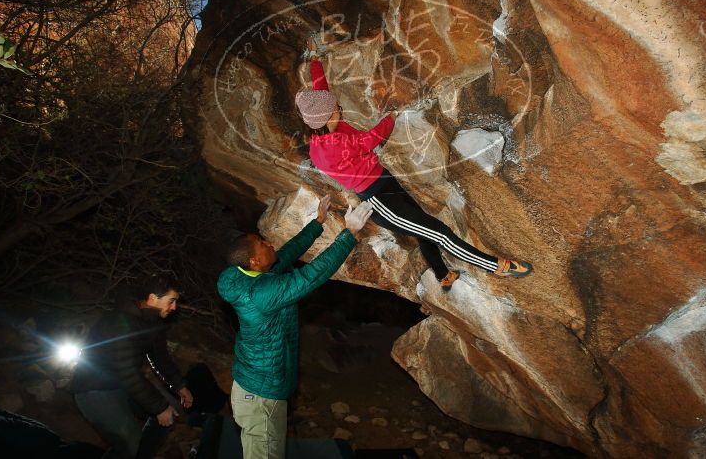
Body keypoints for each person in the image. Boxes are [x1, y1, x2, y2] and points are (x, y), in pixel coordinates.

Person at [295, 37, 533, 291]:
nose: (339, 108)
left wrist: (314, 59)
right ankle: (496, 266)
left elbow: (321, 88)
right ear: (327, 115)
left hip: (384, 182)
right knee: (439, 232)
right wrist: (393, 115)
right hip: (379, 201)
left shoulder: (323, 124)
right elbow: (371, 139)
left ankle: (442, 275)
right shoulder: (332, 144)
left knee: (424, 226)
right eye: (336, 108)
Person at [217, 197, 373, 459]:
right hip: (260, 398)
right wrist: (349, 233)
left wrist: (318, 222)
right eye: (262, 244)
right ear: (254, 262)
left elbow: (286, 253)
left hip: (257, 385)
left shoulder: (242, 273)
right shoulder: (261, 294)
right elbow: (311, 276)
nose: (268, 243)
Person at [69, 277, 193, 459]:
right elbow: (128, 372)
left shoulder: (154, 322)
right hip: (93, 389)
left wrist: (179, 385)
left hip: (120, 383)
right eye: (171, 301)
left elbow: (160, 357)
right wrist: (158, 408)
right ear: (152, 299)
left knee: (171, 409)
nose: (174, 307)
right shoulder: (119, 323)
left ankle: (142, 452)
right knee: (131, 442)